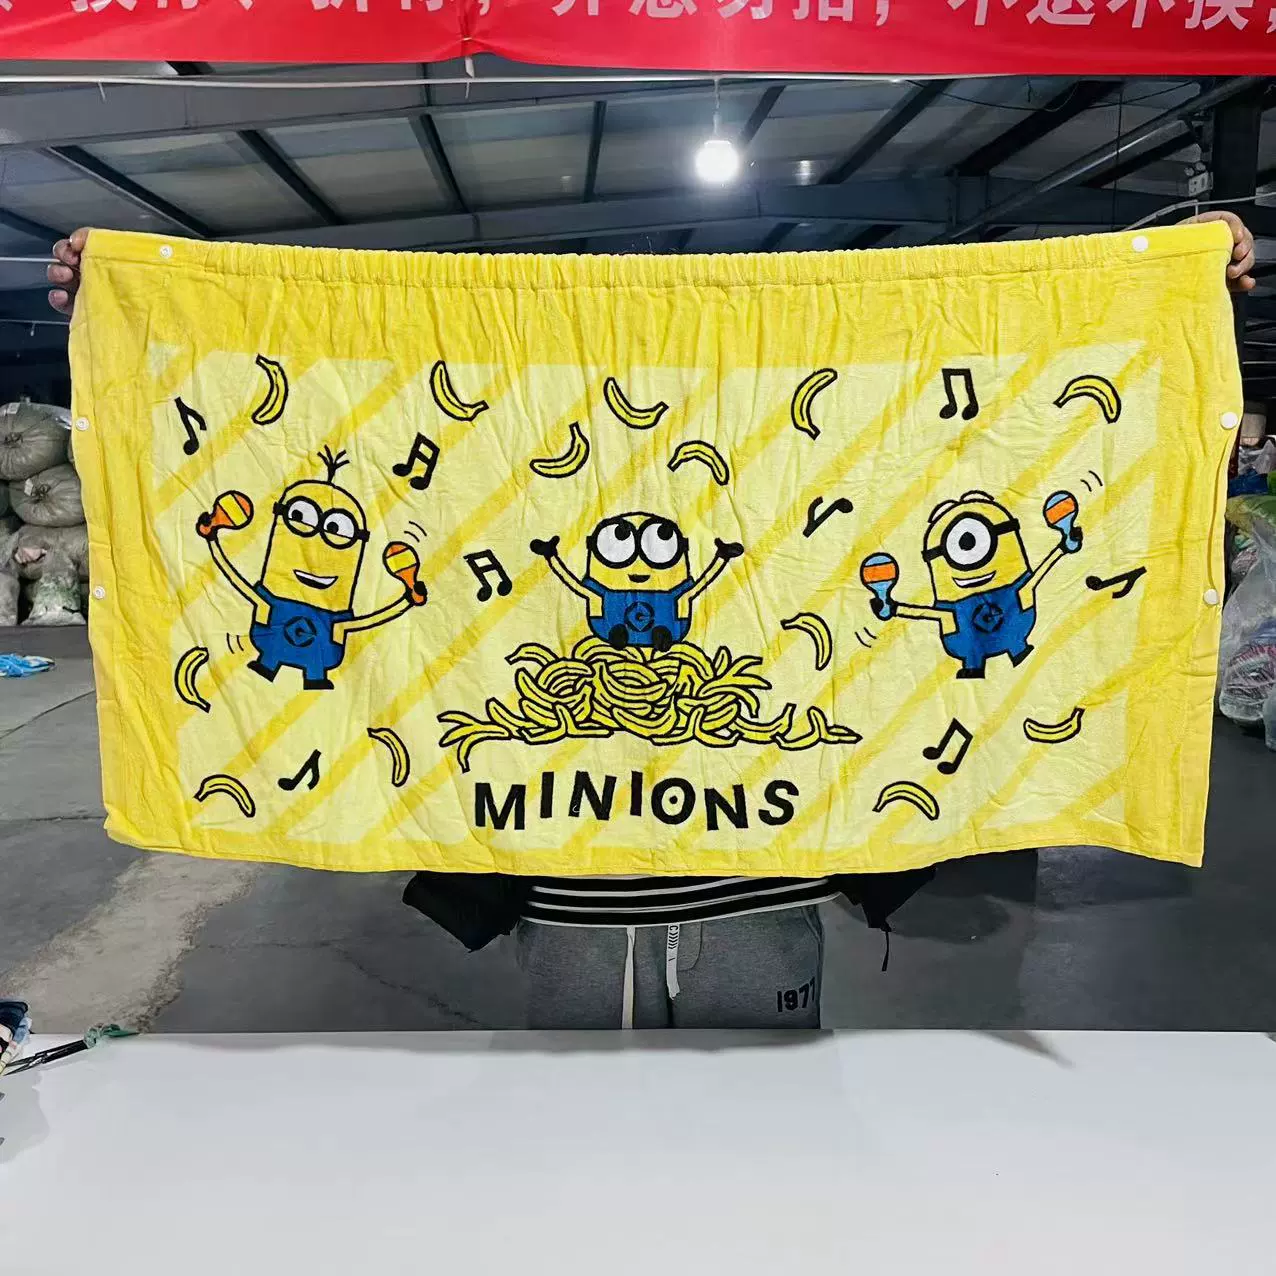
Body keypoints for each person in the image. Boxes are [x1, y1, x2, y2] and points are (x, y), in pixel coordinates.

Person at [48, 211, 1258, 1030]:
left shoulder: (777, 530)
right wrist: (120, 292)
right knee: (588, 1150)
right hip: (570, 906)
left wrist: (1181, 274)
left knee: (755, 1146)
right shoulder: (533, 545)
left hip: (759, 898)